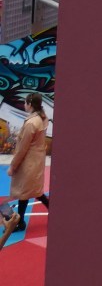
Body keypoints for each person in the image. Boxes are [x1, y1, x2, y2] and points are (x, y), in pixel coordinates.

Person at [7, 92, 50, 232]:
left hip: (28, 162)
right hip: (36, 159)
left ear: (30, 104)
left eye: (25, 102)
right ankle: (21, 222)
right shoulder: (42, 117)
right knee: (34, 190)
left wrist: (13, 166)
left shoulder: (31, 123)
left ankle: (20, 223)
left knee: (24, 191)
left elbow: (22, 148)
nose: (24, 105)